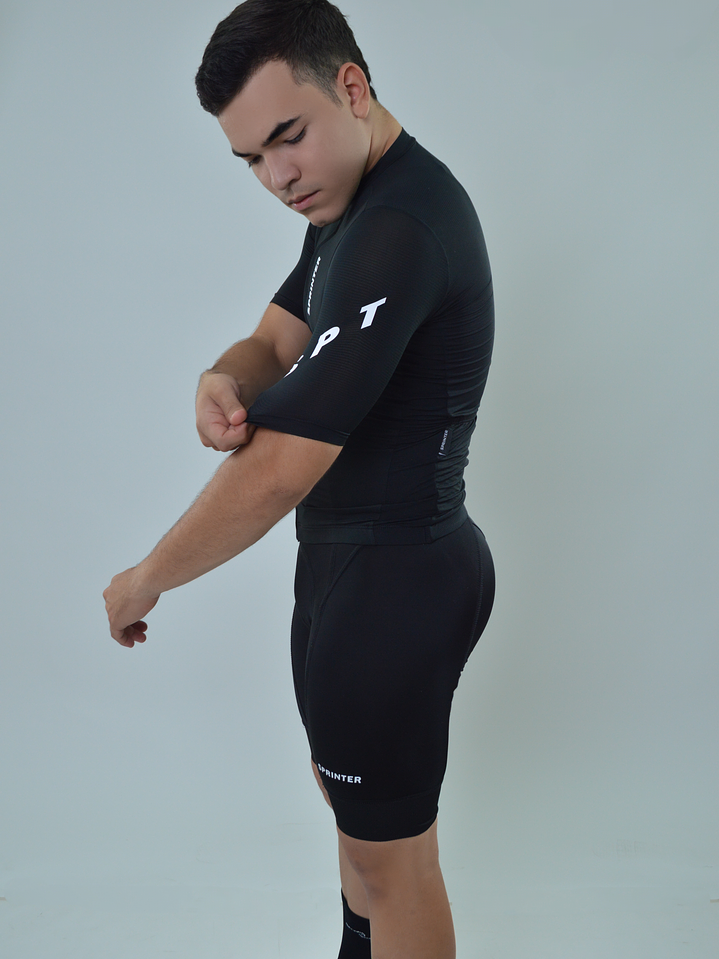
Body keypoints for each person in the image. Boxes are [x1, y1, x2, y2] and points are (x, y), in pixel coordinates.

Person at [103, 1, 495, 956]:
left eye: (287, 137)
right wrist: (226, 376)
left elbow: (281, 467)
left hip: (394, 581)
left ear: (351, 87)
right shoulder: (346, 198)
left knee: (393, 870)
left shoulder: (398, 224)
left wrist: (145, 579)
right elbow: (279, 338)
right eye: (251, 158)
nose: (277, 176)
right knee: (362, 850)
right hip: (350, 576)